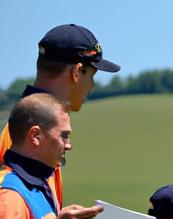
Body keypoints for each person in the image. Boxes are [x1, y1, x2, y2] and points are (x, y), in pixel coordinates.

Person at [0, 24, 120, 205]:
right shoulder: (22, 135)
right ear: (77, 72)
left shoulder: (34, 127)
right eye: (92, 76)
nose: (92, 85)